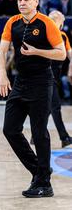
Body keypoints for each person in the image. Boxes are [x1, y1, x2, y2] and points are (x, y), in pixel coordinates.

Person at [0, 0, 66, 198]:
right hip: (20, 82)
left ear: (36, 1)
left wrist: (37, 51)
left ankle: (44, 184)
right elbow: (2, 50)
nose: (22, 2)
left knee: (39, 133)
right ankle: (40, 170)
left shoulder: (46, 23)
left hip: (41, 81)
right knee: (10, 129)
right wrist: (3, 76)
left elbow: (61, 54)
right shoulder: (13, 22)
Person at [31, 11, 72, 147]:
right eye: (61, 22)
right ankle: (64, 138)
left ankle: (35, 135)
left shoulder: (63, 36)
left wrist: (71, 67)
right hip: (44, 77)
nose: (62, 25)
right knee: (55, 107)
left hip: (55, 78)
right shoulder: (43, 36)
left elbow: (70, 54)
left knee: (48, 109)